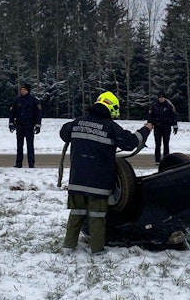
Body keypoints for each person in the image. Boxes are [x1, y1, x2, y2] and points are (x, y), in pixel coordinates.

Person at [59, 91, 151, 254]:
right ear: (111, 108)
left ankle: (68, 246)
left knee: (76, 213)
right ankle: (97, 250)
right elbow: (130, 143)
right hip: (98, 183)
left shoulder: (78, 122)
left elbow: (63, 133)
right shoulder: (110, 127)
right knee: (97, 217)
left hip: (77, 180)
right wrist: (146, 129)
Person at [8, 82, 43, 168]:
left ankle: (31, 164)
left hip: (29, 126)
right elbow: (12, 113)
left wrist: (38, 125)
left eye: (24, 89)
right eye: (21, 89)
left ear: (28, 90)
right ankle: (18, 163)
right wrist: (11, 123)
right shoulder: (17, 100)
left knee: (30, 146)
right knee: (19, 146)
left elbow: (38, 114)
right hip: (19, 126)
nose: (22, 91)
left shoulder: (34, 101)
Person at [147, 92, 179, 164]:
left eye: (162, 97)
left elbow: (173, 117)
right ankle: (157, 160)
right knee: (157, 144)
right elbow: (150, 116)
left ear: (165, 98)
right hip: (157, 127)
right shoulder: (154, 106)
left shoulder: (169, 106)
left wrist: (175, 126)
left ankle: (166, 160)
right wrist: (149, 125)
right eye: (160, 97)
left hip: (166, 127)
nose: (161, 99)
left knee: (166, 144)